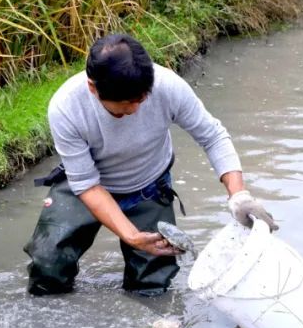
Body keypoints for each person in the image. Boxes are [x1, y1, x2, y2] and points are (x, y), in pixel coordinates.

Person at [24, 33, 277, 297]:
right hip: (85, 186)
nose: (134, 110)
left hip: (148, 185)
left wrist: (238, 195)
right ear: (93, 88)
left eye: (140, 100)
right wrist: (131, 236)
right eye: (123, 107)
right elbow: (86, 184)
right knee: (47, 268)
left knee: (153, 284)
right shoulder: (66, 108)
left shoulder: (168, 87)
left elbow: (213, 136)